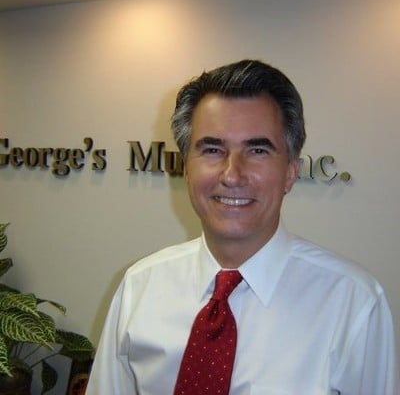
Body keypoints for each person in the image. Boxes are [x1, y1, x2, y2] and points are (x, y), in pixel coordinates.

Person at [85, 60, 399, 395]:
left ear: (290, 172)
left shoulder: (353, 303)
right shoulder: (140, 286)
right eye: (212, 149)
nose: (232, 175)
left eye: (257, 150)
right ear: (187, 169)